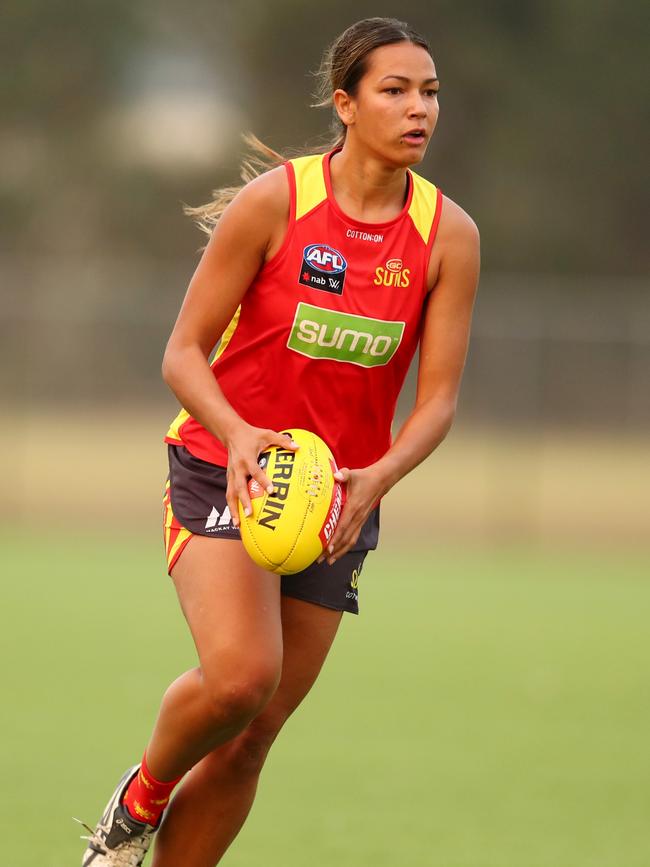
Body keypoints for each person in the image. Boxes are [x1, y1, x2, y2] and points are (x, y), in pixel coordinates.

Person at [80, 16, 480, 867]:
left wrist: (377, 478)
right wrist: (236, 433)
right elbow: (182, 353)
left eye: (431, 92)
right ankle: (135, 806)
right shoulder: (279, 204)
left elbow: (437, 402)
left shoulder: (449, 235)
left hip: (339, 498)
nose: (421, 109)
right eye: (396, 90)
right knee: (239, 678)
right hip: (223, 467)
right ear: (346, 103)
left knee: (255, 735)